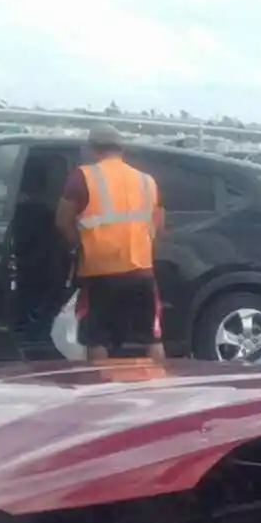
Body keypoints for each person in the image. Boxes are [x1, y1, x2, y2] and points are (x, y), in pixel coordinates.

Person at [56, 125, 165, 361]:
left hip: (99, 271)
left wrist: (79, 245)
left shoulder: (82, 176)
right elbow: (158, 225)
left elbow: (62, 220)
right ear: (121, 149)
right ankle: (159, 388)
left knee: (96, 337)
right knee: (152, 337)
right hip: (141, 269)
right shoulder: (147, 181)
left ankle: (102, 390)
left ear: (93, 150)